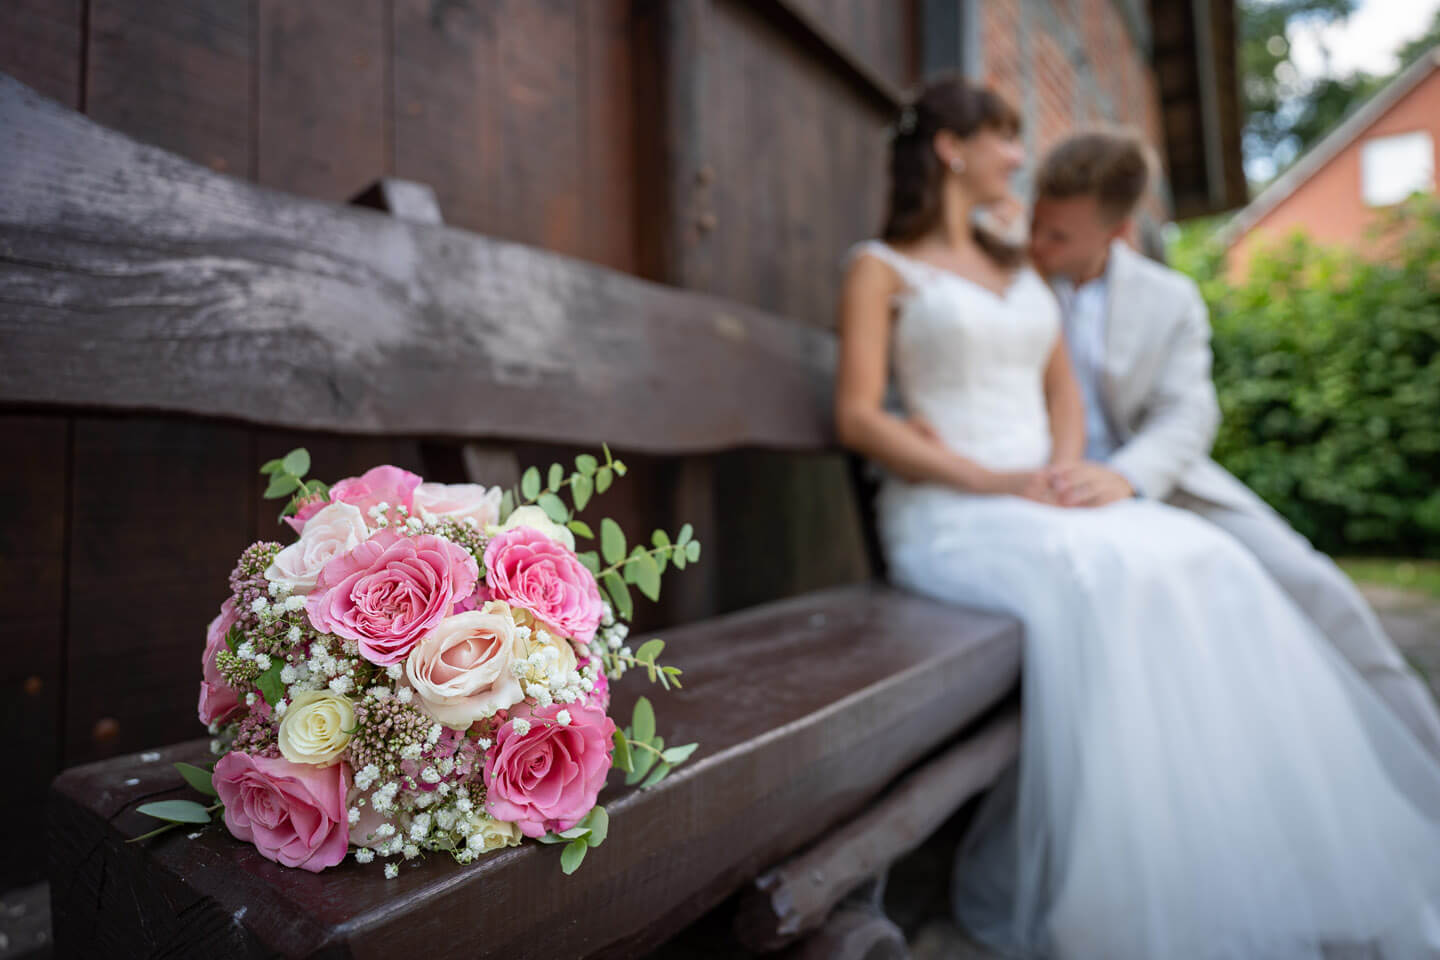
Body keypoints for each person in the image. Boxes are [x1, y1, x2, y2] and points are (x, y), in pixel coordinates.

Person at [834, 76, 1440, 958]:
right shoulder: (885, 266)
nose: (1018, 157)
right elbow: (861, 415)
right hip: (958, 508)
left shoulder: (1039, 268)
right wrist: (987, 474)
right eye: (1005, 139)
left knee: (1217, 562)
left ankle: (1261, 835)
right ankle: (1128, 885)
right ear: (950, 150)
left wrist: (1071, 470)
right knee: (1114, 573)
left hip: (1080, 486)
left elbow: (1086, 398)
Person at [1027, 130, 1440, 762]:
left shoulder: (1170, 299)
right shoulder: (1009, 281)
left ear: (1113, 232)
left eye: (1058, 236)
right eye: (1037, 225)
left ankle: (1419, 749)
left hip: (1156, 478)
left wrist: (1128, 478)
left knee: (1311, 583)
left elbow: (1189, 413)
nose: (1038, 245)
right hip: (1043, 486)